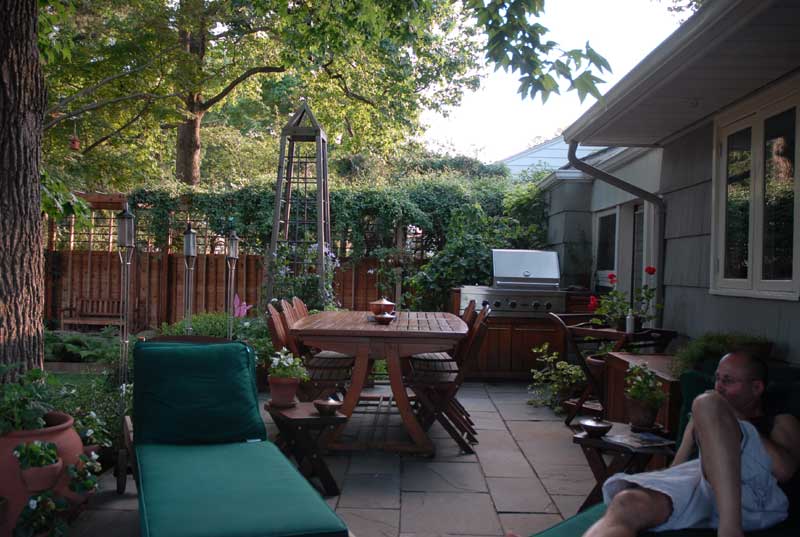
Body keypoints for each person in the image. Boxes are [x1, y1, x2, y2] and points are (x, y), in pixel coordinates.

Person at [583, 351, 800, 537]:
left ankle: (730, 530)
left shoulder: (780, 421)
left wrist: (731, 414)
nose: (719, 387)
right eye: (717, 379)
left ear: (757, 387)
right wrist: (704, 420)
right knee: (627, 502)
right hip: (702, 486)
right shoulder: (705, 415)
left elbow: (785, 470)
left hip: (752, 495)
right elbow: (677, 468)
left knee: (706, 402)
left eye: (728, 381)